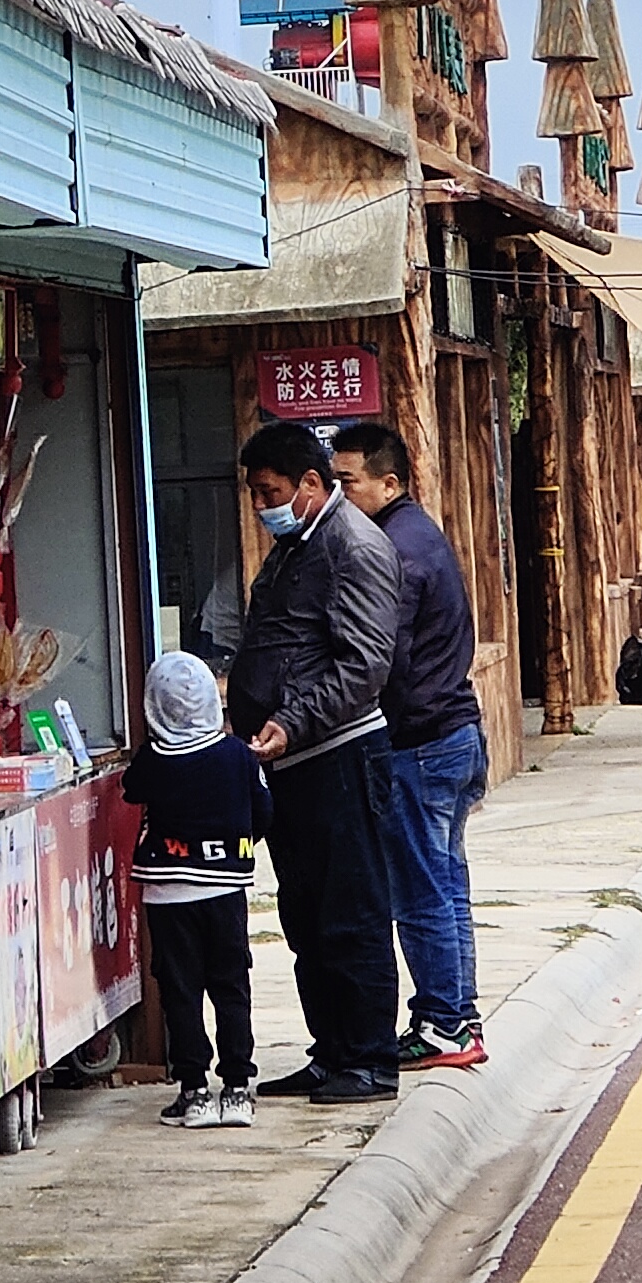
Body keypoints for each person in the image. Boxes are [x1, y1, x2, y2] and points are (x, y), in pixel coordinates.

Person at [226, 421, 401, 1102]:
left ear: (309, 483)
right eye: (254, 495)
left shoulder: (354, 547)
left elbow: (364, 665)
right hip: (289, 764)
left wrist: (290, 721)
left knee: (349, 914)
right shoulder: (294, 545)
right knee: (305, 917)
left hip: (338, 755)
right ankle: (330, 1051)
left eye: (269, 492)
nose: (260, 506)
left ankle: (370, 1059)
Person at [331, 430, 489, 1069]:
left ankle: (444, 1022)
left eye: (349, 484)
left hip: (422, 746)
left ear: (388, 483)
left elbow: (380, 658)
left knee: (422, 892)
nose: (341, 496)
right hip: (451, 736)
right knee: (445, 883)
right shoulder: (419, 533)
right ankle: (457, 1014)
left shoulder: (394, 551)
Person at [121, 649, 268, 1126]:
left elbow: (130, 788)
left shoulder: (153, 760)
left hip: (168, 898)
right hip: (226, 891)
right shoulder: (238, 756)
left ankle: (194, 1090)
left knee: (181, 991)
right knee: (230, 985)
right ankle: (239, 1089)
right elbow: (265, 812)